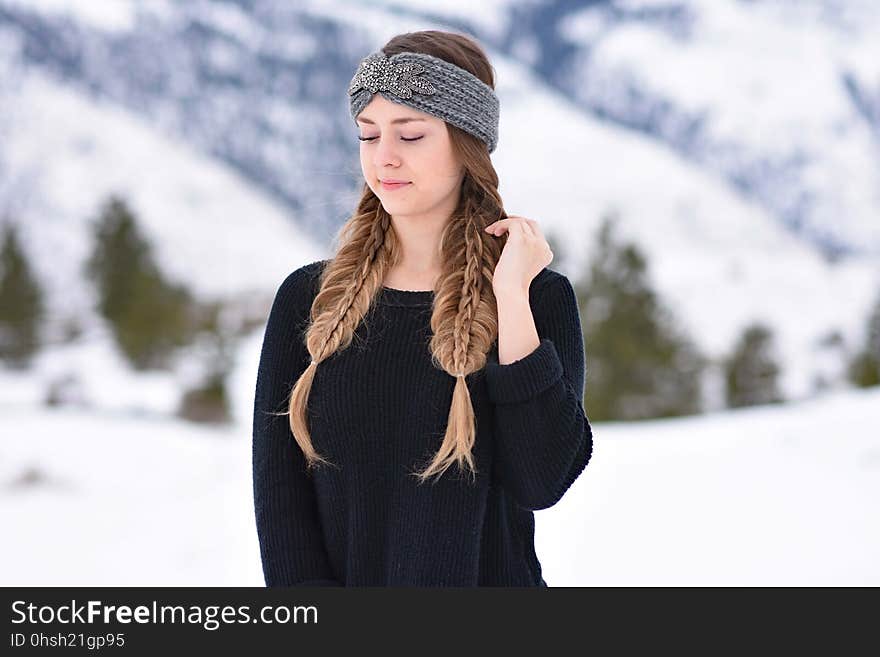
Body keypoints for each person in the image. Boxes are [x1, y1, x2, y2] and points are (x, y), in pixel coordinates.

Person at [252, 29, 593, 587]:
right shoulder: (309, 301)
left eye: (410, 134)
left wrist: (509, 298)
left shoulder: (536, 298)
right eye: (368, 135)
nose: (384, 157)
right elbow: (281, 507)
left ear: (467, 145)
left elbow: (542, 481)